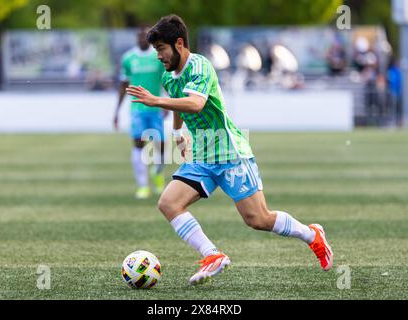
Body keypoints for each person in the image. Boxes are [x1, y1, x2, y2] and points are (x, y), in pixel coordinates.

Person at [126, 15, 333, 285]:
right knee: (168, 203)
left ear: (179, 43)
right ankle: (212, 255)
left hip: (230, 152)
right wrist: (178, 133)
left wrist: (155, 101)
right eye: (155, 51)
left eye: (161, 49)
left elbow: (195, 104)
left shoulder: (199, 66)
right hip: (202, 157)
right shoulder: (169, 75)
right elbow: (179, 101)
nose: (159, 56)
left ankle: (312, 235)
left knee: (258, 219)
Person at [114, 26, 167, 199]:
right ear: (136, 38)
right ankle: (143, 186)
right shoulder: (129, 58)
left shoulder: (157, 57)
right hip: (137, 109)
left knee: (161, 147)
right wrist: (116, 110)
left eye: (146, 36)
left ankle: (157, 174)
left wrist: (167, 103)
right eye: (140, 36)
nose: (142, 39)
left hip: (156, 107)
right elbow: (123, 85)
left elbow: (165, 82)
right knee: (138, 145)